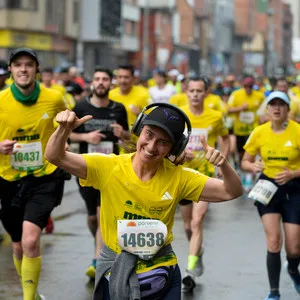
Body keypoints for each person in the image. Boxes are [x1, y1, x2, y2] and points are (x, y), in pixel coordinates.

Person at [45, 102, 243, 299]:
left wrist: (223, 165)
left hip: (161, 274)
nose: (151, 146)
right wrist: (63, 129)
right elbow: (54, 156)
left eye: (163, 142)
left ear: (174, 148)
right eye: (149, 135)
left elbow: (231, 191)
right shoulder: (108, 167)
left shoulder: (180, 177)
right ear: (139, 131)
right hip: (115, 270)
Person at [0, 47, 67, 300]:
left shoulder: (54, 98)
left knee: (30, 241)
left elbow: (65, 126)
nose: (24, 69)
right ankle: (33, 292)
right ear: (11, 70)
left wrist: (63, 140)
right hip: (8, 179)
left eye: (29, 64)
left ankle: (28, 298)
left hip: (44, 177)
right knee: (17, 244)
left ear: (37, 69)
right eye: (19, 65)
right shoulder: (1, 101)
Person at [69, 67, 130, 280]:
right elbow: (68, 135)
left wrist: (123, 134)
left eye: (105, 79)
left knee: (103, 210)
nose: (101, 82)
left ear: (111, 83)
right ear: (92, 83)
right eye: (97, 79)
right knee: (93, 217)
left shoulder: (119, 109)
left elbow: (129, 137)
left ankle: (97, 261)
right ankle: (98, 240)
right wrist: (86, 138)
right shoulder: (81, 106)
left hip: (111, 170)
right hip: (85, 167)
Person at [241, 91, 300, 300]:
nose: (276, 108)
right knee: (274, 241)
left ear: (288, 110)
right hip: (267, 187)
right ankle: (274, 292)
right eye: (272, 104)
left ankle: (293, 269)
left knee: (294, 247)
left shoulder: (297, 131)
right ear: (266, 109)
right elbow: (245, 161)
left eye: (281, 105)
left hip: (294, 189)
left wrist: (293, 173)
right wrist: (253, 165)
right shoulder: (259, 132)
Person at [179, 77, 230, 291]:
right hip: (181, 176)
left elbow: (225, 139)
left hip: (206, 177)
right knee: (188, 225)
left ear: (206, 93)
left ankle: (190, 271)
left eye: (199, 91)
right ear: (186, 92)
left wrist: (221, 161)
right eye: (192, 91)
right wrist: (180, 153)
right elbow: (170, 141)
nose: (195, 95)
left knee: (198, 221)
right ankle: (197, 252)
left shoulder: (215, 117)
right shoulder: (179, 115)